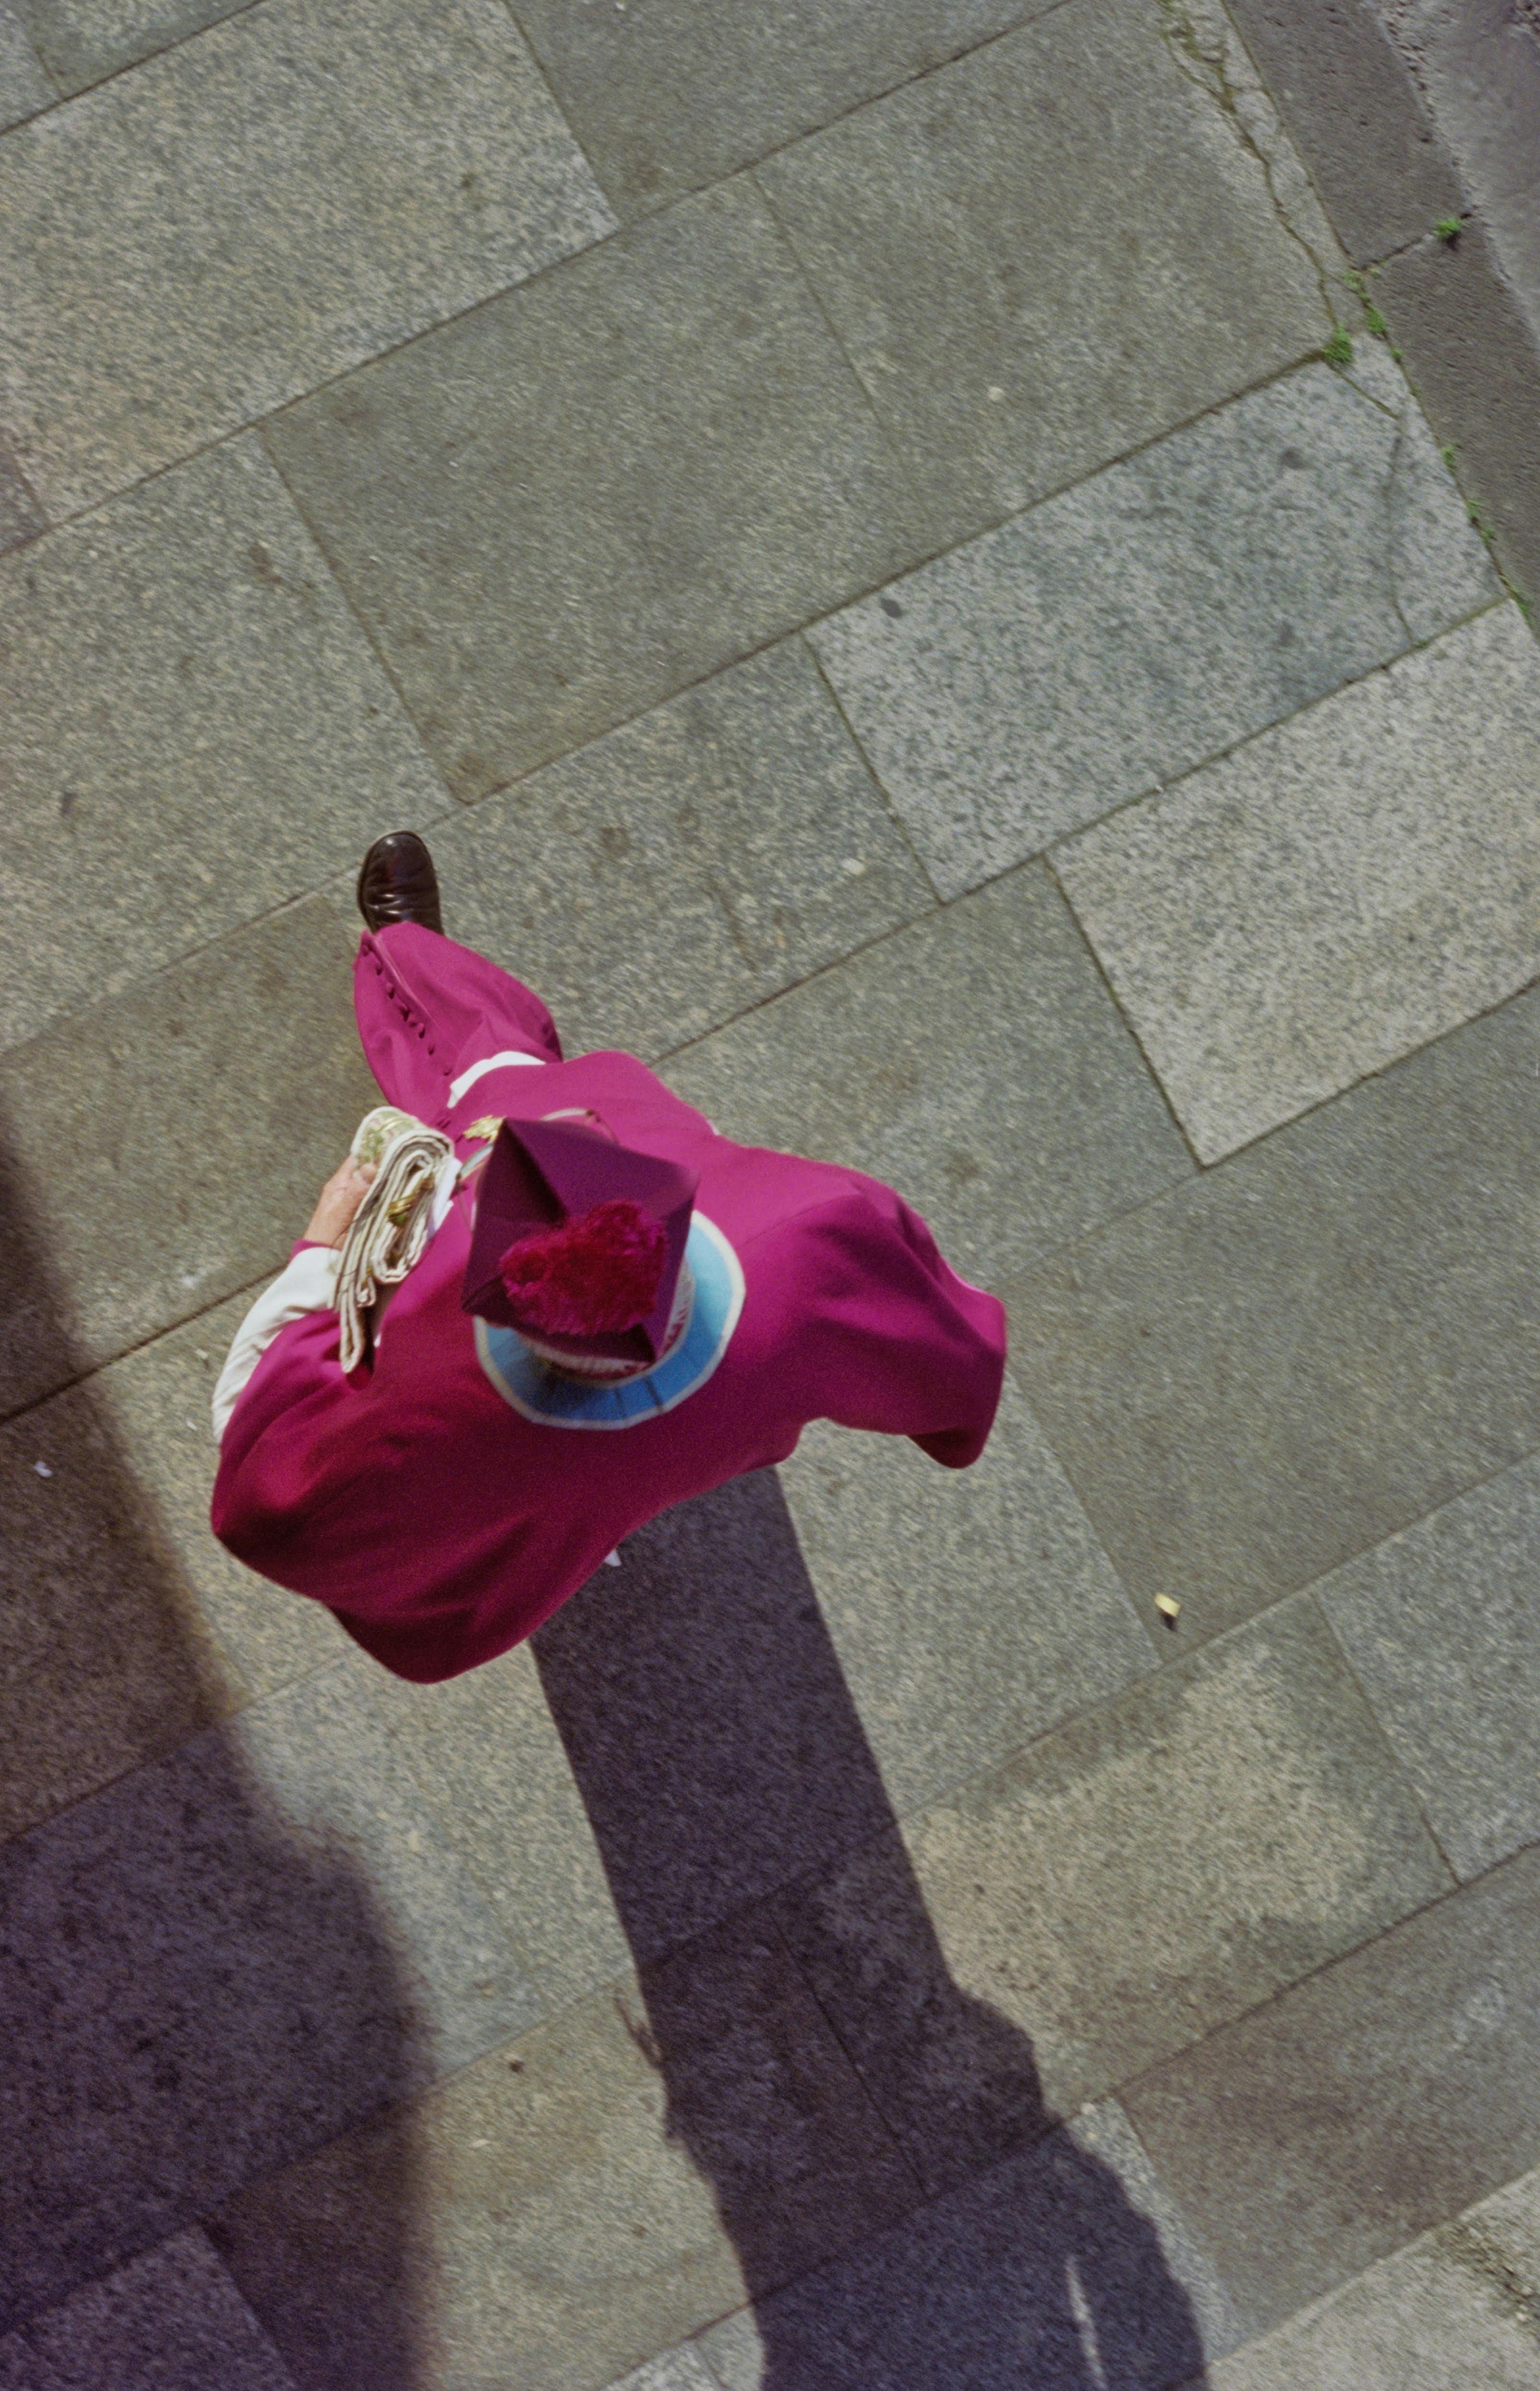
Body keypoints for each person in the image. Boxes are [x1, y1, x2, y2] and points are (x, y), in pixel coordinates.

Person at [210, 833, 1008, 1683]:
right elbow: (940, 1344)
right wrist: (946, 1420)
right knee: (511, 1076)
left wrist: (322, 1251)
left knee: (486, 1074)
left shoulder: (420, 1421)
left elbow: (263, 1498)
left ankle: (411, 957)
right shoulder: (809, 1236)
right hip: (718, 1425)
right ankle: (418, 958)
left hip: (534, 1501)